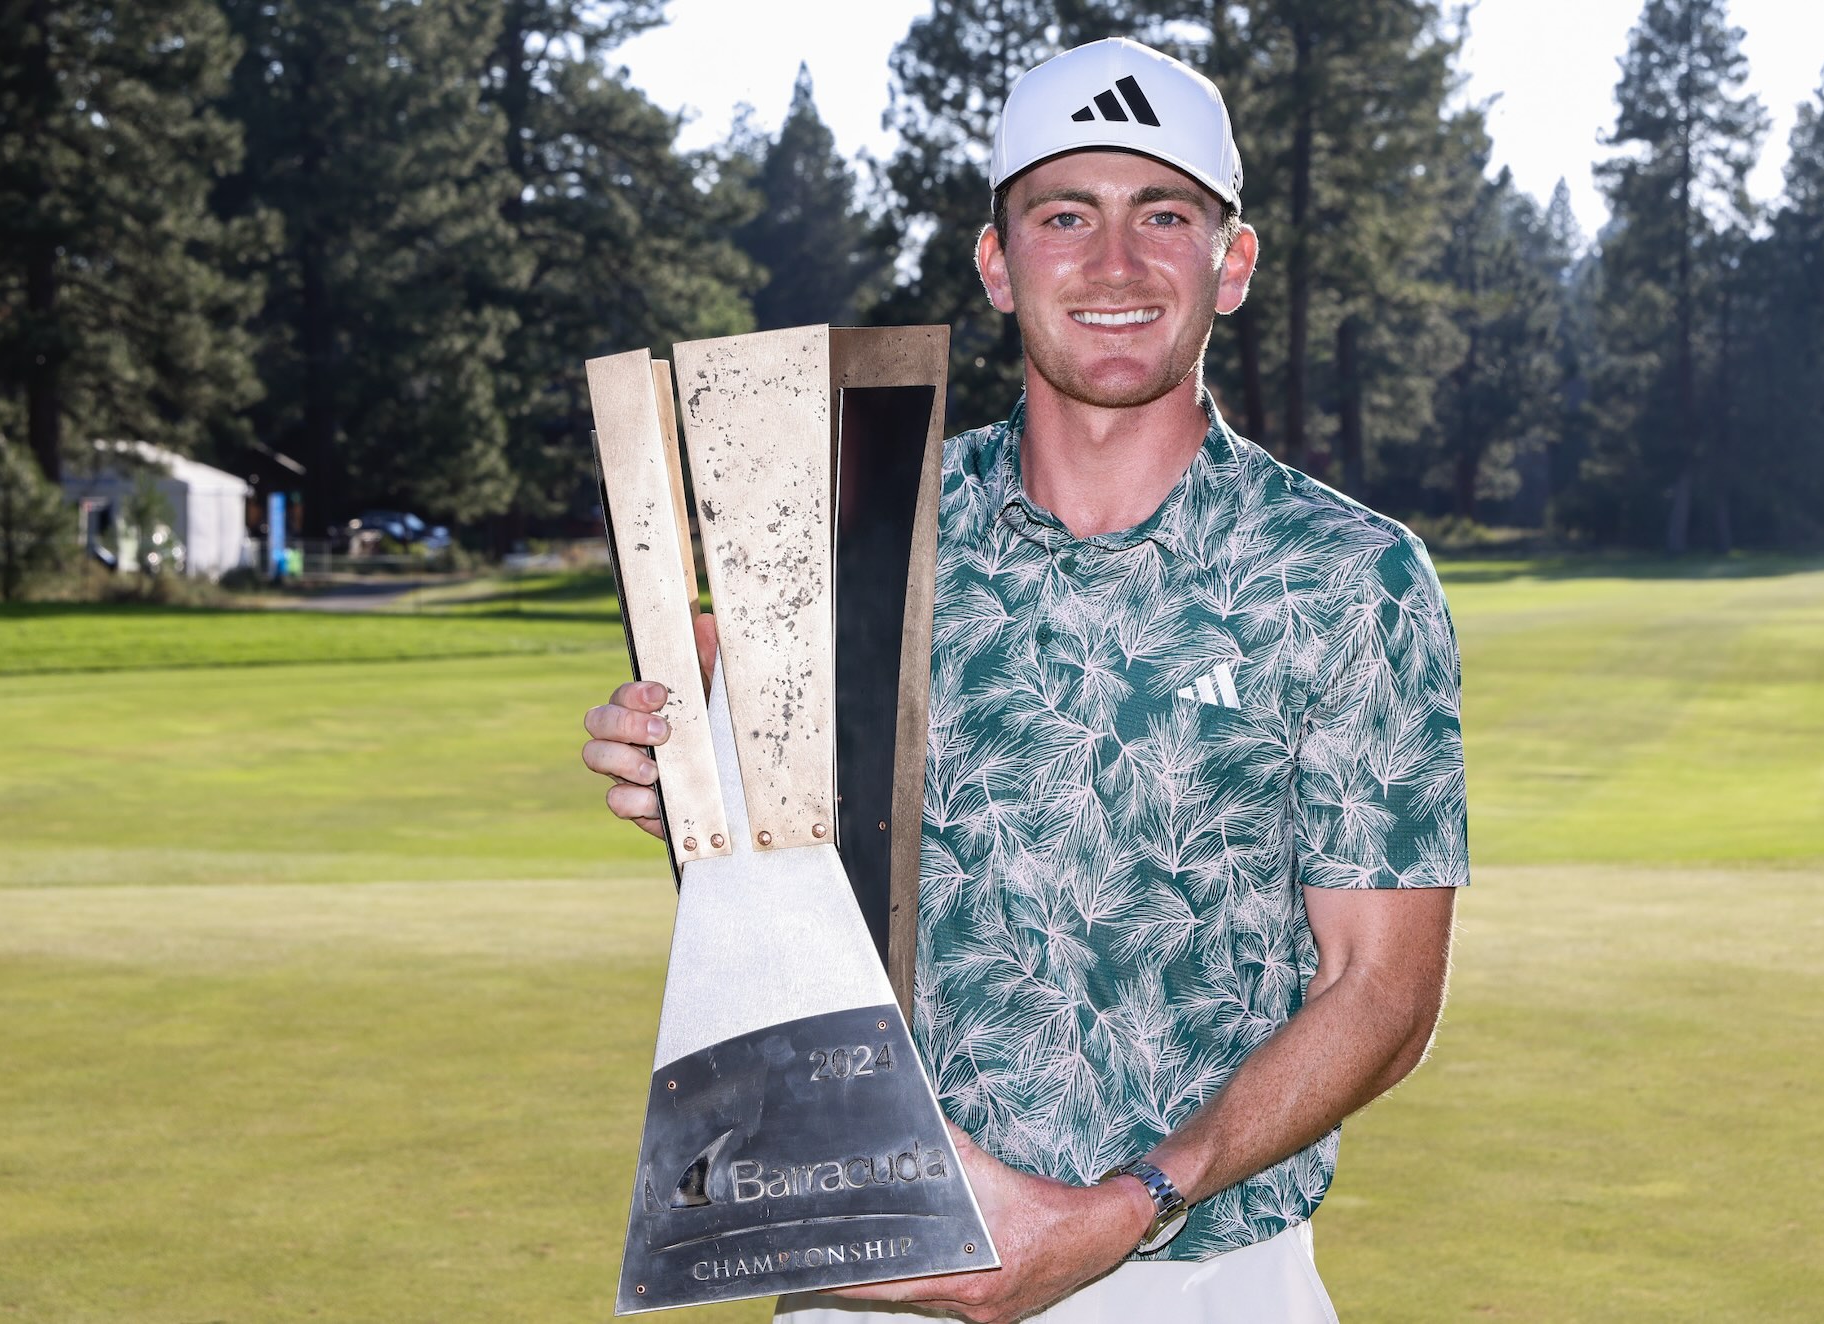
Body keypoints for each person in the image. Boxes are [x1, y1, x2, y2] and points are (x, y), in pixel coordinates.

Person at [581, 37, 1466, 1324]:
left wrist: (1127, 1202)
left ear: (1232, 263)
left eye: (1163, 215)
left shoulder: (1349, 578)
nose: (1114, 265)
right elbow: (795, 875)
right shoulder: (854, 543)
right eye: (1065, 217)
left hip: (1205, 1283)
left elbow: (1381, 990)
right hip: (873, 1283)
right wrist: (695, 781)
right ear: (998, 263)